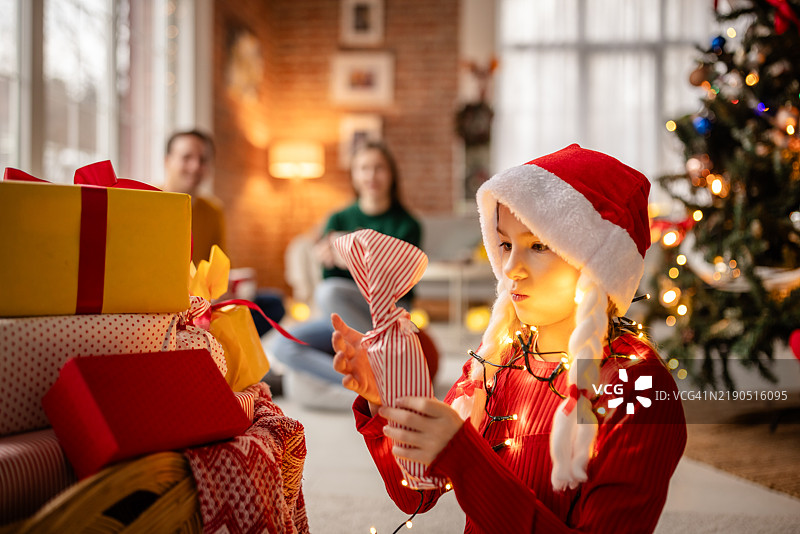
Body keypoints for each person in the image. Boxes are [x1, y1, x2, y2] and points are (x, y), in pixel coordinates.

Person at [332, 144, 687, 533]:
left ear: (598, 262)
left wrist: (466, 458)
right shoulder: (498, 358)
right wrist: (383, 400)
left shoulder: (639, 388)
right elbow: (417, 492)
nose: (511, 268)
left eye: (538, 246)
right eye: (505, 244)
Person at [269, 141, 423, 408]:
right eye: (364, 168)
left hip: (387, 316)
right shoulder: (338, 219)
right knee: (283, 344)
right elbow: (329, 281)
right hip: (342, 316)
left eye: (379, 168)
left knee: (329, 293)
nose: (371, 175)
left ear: (391, 174)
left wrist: (352, 257)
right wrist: (328, 256)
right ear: (353, 175)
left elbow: (399, 286)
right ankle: (370, 384)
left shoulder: (408, 224)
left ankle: (367, 381)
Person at [164, 129, 284, 336]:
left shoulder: (213, 211)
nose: (195, 166)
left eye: (203, 160)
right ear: (167, 161)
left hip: (205, 298)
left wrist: (226, 288)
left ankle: (217, 346)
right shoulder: (149, 202)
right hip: (169, 302)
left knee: (273, 303)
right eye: (187, 158)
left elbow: (220, 264)